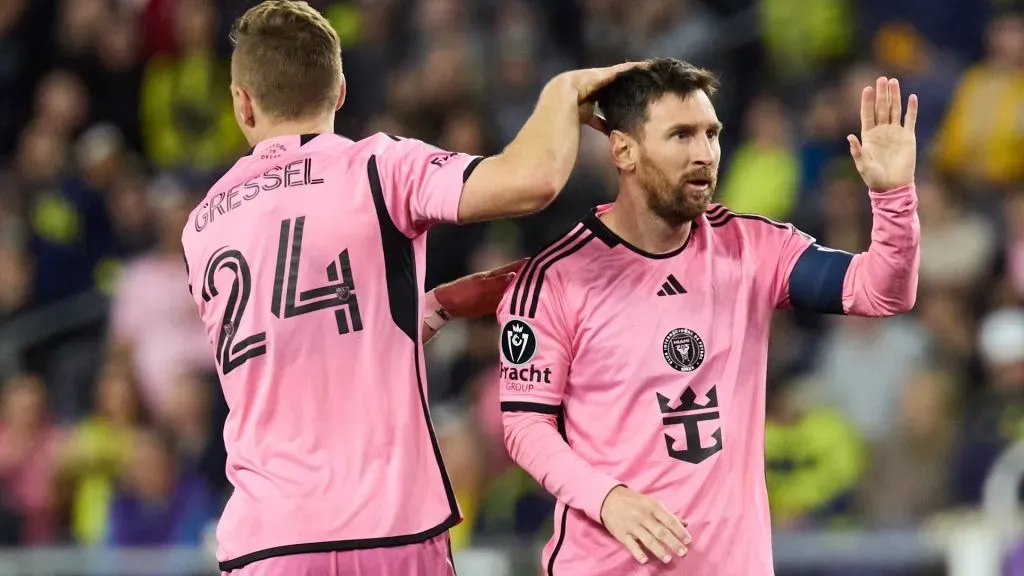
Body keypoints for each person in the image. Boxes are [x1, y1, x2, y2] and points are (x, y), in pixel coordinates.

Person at [179, 1, 640, 575]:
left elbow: (293, 347)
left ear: (242, 103)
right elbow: (534, 180)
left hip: (268, 542)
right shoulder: (377, 168)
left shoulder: (203, 225)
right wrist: (564, 91)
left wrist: (433, 308)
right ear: (341, 89)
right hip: (389, 528)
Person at [497, 58, 920, 575]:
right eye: (681, 135)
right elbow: (524, 425)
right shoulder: (556, 278)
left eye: (712, 134)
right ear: (624, 150)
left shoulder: (754, 248)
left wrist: (892, 196)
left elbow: (881, 292)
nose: (704, 154)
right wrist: (608, 498)